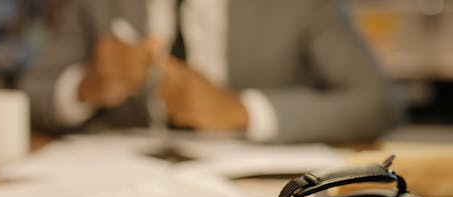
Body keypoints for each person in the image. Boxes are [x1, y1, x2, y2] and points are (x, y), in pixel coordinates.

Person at [20, 0, 402, 143]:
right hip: (119, 191)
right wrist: (85, 87)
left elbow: (377, 102)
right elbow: (31, 94)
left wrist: (240, 110)